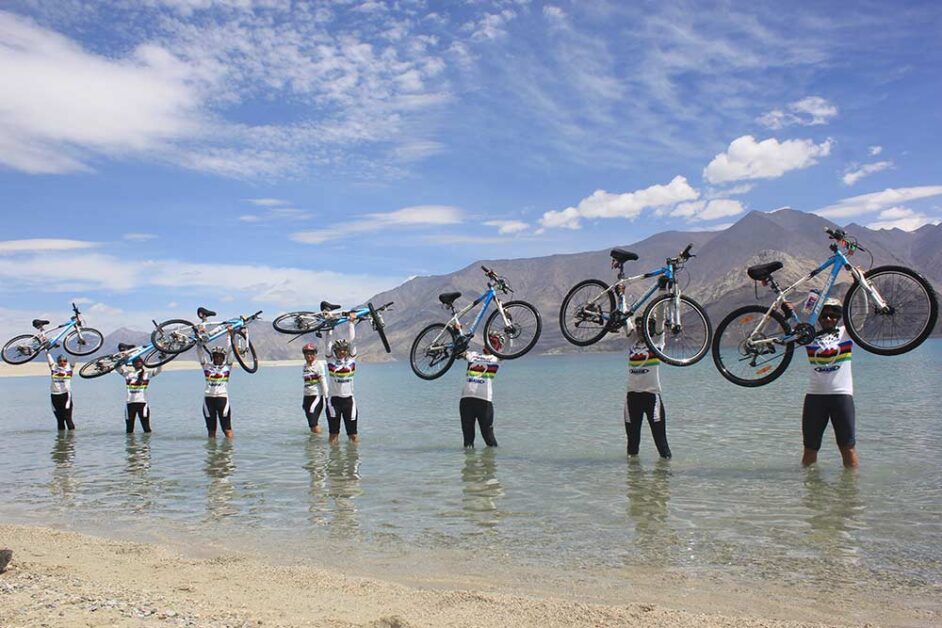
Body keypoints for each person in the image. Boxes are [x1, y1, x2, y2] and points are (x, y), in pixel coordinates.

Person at [801, 297, 858, 468]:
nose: (828, 319)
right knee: (810, 449)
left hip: (841, 397)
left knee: (847, 448)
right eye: (824, 315)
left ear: (839, 317)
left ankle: (852, 493)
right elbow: (791, 326)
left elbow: (862, 314)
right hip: (814, 398)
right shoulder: (809, 336)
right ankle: (810, 492)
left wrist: (861, 282)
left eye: (833, 315)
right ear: (819, 317)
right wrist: (786, 308)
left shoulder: (846, 333)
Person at [624, 316, 671, 459]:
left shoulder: (656, 342)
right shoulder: (633, 343)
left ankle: (665, 478)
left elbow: (661, 315)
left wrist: (663, 293)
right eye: (637, 327)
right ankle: (633, 480)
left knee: (661, 444)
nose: (639, 330)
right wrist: (621, 295)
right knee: (632, 446)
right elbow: (625, 319)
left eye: (642, 326)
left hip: (651, 398)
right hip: (632, 398)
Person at [459, 334, 502, 448]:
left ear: (497, 346)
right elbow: (461, 345)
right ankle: (469, 465)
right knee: (468, 440)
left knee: (488, 438)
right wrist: (457, 330)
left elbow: (508, 349)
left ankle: (491, 464)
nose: (490, 345)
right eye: (489, 342)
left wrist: (508, 326)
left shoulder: (496, 358)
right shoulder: (473, 355)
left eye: (493, 343)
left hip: (484, 401)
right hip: (466, 401)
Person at [325, 315, 358, 445]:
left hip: (349, 401)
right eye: (339, 350)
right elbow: (327, 344)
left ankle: (353, 462)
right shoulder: (331, 360)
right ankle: (333, 463)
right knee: (333, 435)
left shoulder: (352, 360)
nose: (342, 352)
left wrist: (351, 323)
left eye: (344, 350)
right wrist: (330, 328)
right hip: (333, 402)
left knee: (353, 435)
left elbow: (353, 341)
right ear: (335, 351)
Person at [198, 329, 234, 439]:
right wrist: (201, 337)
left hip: (222, 399)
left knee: (227, 429)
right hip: (208, 400)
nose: (218, 358)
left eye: (220, 357)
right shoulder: (206, 366)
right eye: (216, 356)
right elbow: (200, 351)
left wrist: (229, 336)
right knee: (211, 431)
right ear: (213, 357)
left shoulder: (227, 366)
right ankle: (212, 455)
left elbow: (230, 351)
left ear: (223, 358)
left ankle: (228, 454)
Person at [115, 355, 161, 433]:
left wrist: (161, 359)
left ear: (142, 363)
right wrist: (123, 359)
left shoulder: (146, 374)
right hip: (130, 404)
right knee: (129, 430)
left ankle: (146, 445)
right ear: (133, 364)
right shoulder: (128, 374)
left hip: (142, 404)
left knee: (146, 429)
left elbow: (158, 370)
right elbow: (117, 368)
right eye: (135, 362)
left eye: (139, 362)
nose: (137, 363)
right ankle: (130, 445)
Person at [301, 342, 328, 433]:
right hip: (306, 397)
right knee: (311, 423)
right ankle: (313, 445)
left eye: (311, 353)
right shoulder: (305, 366)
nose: (309, 355)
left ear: (315, 354)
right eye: (306, 353)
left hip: (316, 396)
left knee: (313, 422)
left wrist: (327, 397)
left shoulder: (319, 365)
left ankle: (318, 444)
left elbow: (323, 381)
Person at [46, 351, 75, 431]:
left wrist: (79, 346)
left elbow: (75, 355)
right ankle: (61, 442)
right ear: (57, 362)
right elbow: (48, 356)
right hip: (54, 396)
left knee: (68, 419)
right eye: (60, 361)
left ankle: (71, 442)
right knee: (60, 421)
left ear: (67, 362)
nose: (62, 362)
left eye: (64, 361)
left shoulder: (69, 367)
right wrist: (45, 349)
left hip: (66, 395)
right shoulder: (53, 367)